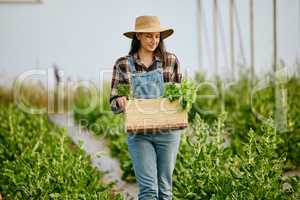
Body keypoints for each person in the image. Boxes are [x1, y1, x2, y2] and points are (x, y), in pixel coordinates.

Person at [110, 16, 182, 200]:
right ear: (138, 37)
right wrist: (120, 100)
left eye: (157, 36)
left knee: (165, 190)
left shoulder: (170, 60)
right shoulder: (123, 64)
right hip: (139, 132)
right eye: (149, 36)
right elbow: (114, 99)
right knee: (148, 191)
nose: (154, 41)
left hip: (168, 132)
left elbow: (178, 95)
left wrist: (182, 98)